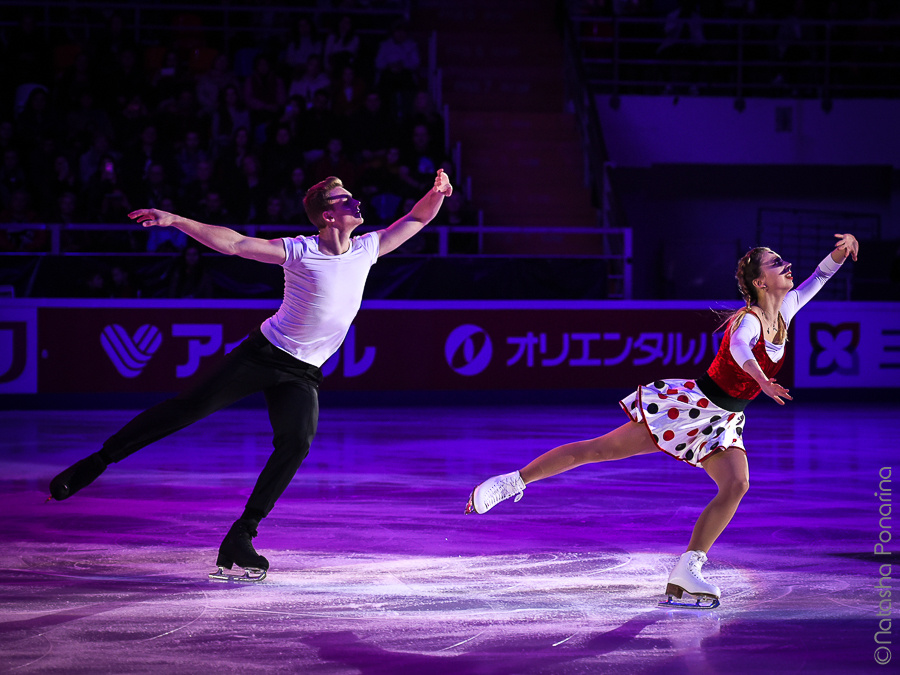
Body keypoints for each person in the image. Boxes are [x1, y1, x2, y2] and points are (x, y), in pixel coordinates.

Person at [49, 169, 453, 582]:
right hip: (263, 354)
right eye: (345, 198)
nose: (356, 202)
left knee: (297, 442)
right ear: (328, 215)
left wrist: (437, 193)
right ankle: (97, 462)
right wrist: (177, 221)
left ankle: (241, 535)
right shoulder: (299, 251)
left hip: (303, 372)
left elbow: (417, 220)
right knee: (189, 408)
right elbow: (236, 244)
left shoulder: (366, 248)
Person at [465, 234, 859, 608]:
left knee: (737, 484)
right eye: (776, 263)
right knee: (600, 450)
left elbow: (818, 277)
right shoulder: (749, 321)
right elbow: (740, 350)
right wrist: (762, 381)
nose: (787, 265)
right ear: (760, 281)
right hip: (693, 407)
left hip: (725, 420)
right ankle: (511, 482)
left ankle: (687, 570)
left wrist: (841, 254)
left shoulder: (785, 311)